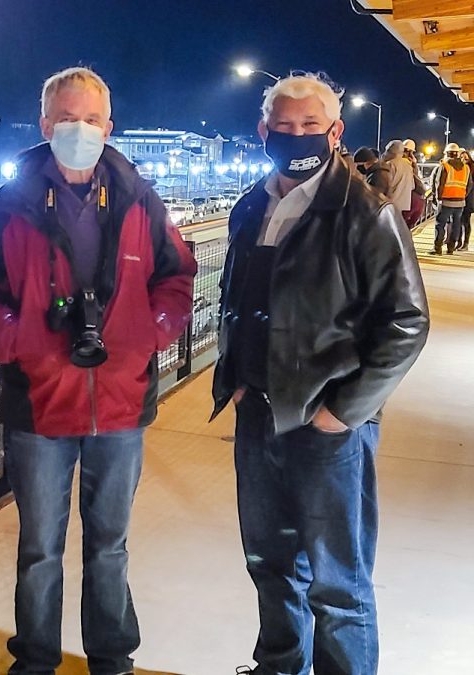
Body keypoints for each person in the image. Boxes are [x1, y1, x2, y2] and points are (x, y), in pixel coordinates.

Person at [0, 66, 196, 675]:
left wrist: (149, 334)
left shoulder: (140, 197)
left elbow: (178, 278)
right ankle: (35, 660)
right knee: (39, 549)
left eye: (90, 119)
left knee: (110, 546)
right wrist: (21, 339)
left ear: (110, 126)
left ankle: (111, 658)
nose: (78, 129)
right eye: (66, 118)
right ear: (44, 124)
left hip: (120, 401)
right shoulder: (8, 206)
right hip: (38, 403)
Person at [212, 73, 429, 675]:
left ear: (335, 132)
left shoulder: (365, 212)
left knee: (339, 584)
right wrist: (232, 376)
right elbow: (238, 295)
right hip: (259, 414)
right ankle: (280, 665)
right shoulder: (251, 206)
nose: (297, 136)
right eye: (284, 126)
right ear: (264, 132)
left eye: (311, 126)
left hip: (328, 428)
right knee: (269, 563)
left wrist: (343, 412)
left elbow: (407, 322)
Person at [431, 142, 469, 255]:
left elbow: (439, 184)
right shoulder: (466, 168)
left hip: (446, 201)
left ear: (447, 153)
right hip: (460, 201)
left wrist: (438, 198)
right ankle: (451, 248)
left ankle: (437, 248)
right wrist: (462, 195)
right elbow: (469, 185)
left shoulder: (445, 166)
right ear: (457, 154)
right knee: (456, 225)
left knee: (440, 224)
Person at [381, 139, 415, 216]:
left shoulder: (390, 164)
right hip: (404, 206)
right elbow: (412, 186)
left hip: (390, 205)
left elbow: (384, 186)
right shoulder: (409, 166)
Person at [401, 139, 426, 228]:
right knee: (408, 225)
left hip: (405, 198)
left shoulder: (398, 163)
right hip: (415, 198)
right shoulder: (411, 163)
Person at [459, 150, 473, 251]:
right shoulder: (459, 168)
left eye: (466, 158)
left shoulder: (472, 167)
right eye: (462, 158)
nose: (464, 160)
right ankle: (459, 242)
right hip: (460, 197)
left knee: (465, 221)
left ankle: (465, 243)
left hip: (469, 198)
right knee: (459, 221)